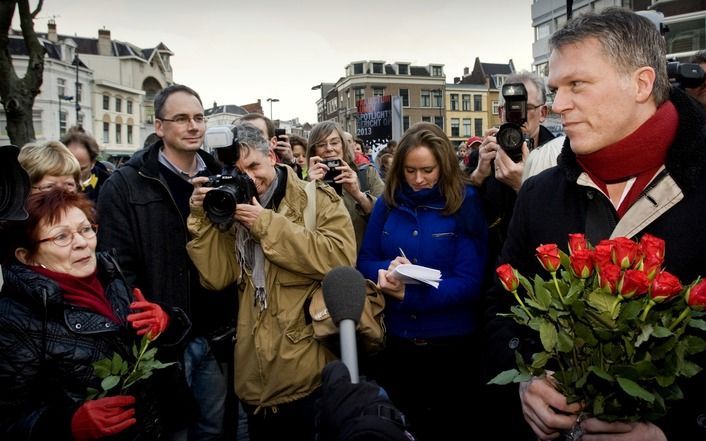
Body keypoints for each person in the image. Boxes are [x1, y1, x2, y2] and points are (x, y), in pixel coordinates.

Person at [483, 8, 706, 441]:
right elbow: (498, 306)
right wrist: (524, 382)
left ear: (641, 83)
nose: (557, 106)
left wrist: (674, 432)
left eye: (577, 85)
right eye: (555, 89)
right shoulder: (538, 193)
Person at [185, 121, 356, 441]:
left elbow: (341, 261)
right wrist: (202, 219)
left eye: (253, 166)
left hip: (308, 376)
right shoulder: (229, 208)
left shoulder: (316, 199)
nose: (248, 178)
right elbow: (216, 277)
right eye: (237, 170)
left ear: (272, 159)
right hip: (254, 381)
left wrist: (266, 225)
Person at [97, 84, 236, 441]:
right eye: (181, 119)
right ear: (159, 127)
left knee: (213, 429)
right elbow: (115, 267)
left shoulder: (224, 176)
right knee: (172, 431)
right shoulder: (126, 184)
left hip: (215, 328)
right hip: (163, 337)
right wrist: (142, 319)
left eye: (199, 118)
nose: (193, 127)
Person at [0, 189, 192, 441]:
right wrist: (65, 426)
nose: (81, 242)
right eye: (61, 236)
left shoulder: (110, 276)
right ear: (27, 256)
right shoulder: (13, 317)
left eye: (85, 229)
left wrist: (167, 321)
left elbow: (156, 347)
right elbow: (8, 420)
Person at [357, 122, 487, 440]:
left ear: (443, 165)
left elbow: (471, 281)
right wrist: (388, 269)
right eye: (410, 170)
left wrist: (409, 294)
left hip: (451, 347)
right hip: (397, 343)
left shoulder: (465, 201)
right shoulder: (386, 204)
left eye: (427, 170)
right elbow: (364, 261)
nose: (418, 180)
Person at [467, 71, 556, 283]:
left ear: (543, 112)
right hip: (490, 272)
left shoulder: (558, 156)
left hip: (537, 277)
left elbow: (558, 230)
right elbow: (462, 221)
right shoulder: (484, 153)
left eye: (527, 108)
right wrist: (478, 176)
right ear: (500, 113)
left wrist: (523, 187)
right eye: (510, 108)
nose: (517, 115)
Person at [307, 121, 385, 251]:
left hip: (362, 261)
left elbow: (386, 217)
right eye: (321, 144)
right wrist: (311, 187)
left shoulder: (366, 174)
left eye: (334, 142)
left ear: (343, 145)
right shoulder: (304, 183)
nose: (329, 148)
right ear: (314, 150)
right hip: (325, 262)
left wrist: (358, 195)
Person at [62, 128, 112, 202]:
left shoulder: (108, 188)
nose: (76, 175)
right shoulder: (52, 189)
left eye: (82, 169)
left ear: (93, 163)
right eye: (70, 169)